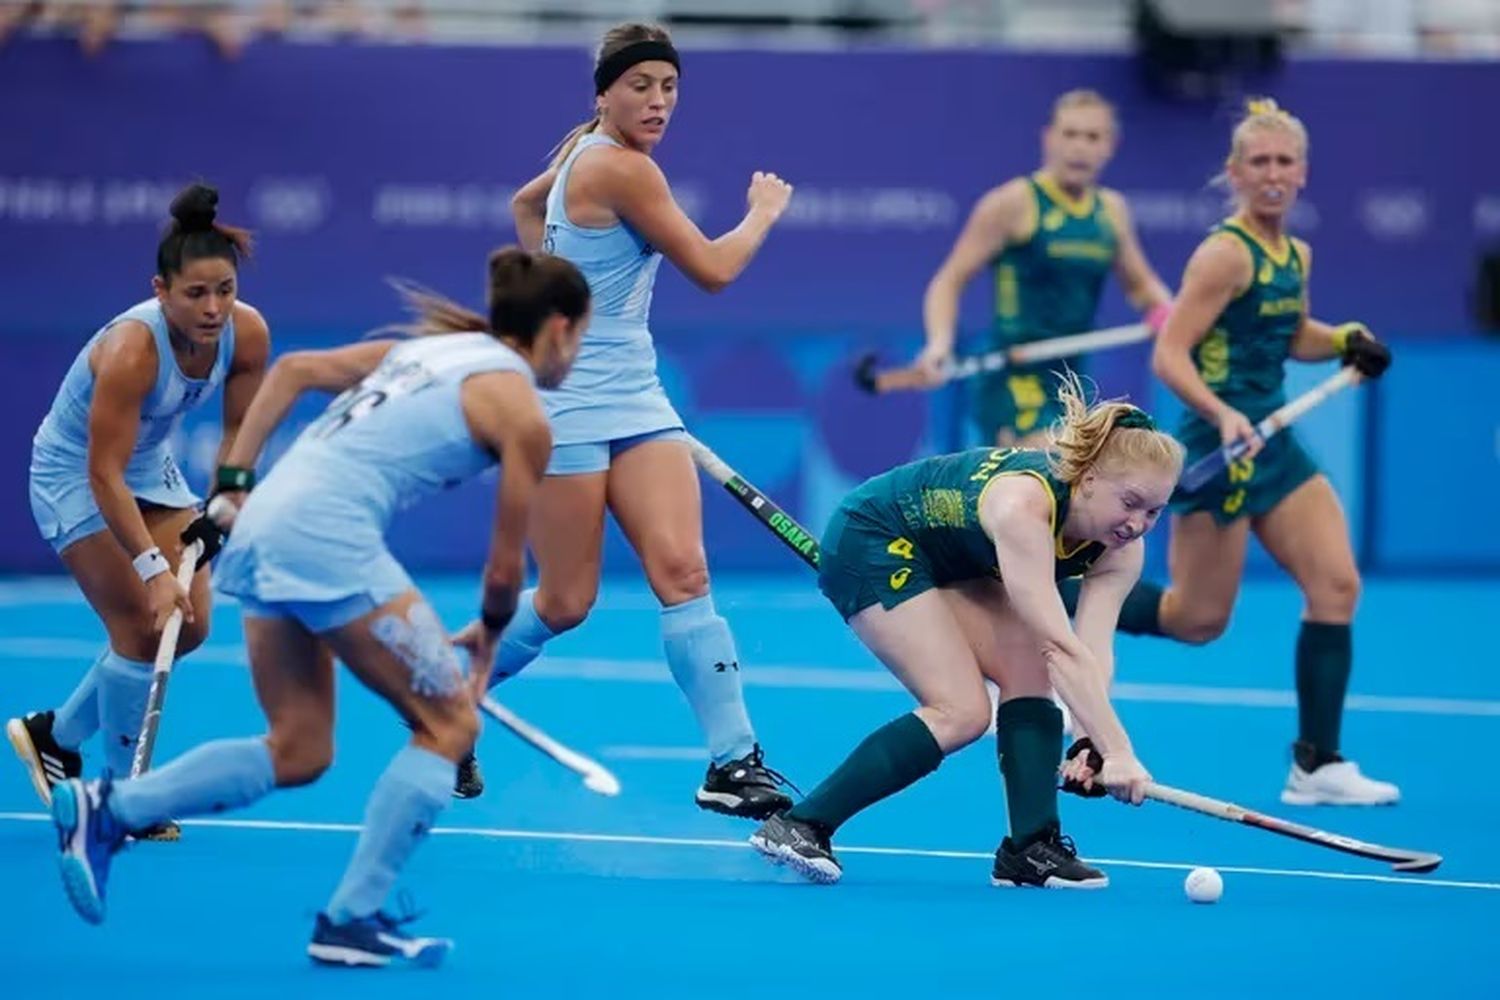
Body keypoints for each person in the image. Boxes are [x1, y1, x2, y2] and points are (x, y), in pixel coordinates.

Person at [46, 247, 590, 968]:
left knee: (299, 748)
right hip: (327, 541)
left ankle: (109, 809)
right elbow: (502, 571)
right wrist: (487, 650)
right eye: (580, 338)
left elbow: (295, 372)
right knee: (451, 724)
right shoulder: (523, 411)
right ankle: (351, 917)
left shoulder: (436, 347)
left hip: (265, 528)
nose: (576, 355)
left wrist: (235, 483)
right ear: (557, 328)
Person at [467, 21, 796, 817]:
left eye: (669, 86)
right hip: (569, 406)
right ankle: (447, 693)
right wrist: (762, 213)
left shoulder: (588, 152)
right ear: (604, 93)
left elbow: (524, 205)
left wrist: (554, 295)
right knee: (565, 601)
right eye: (640, 86)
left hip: (639, 399)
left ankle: (732, 761)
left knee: (684, 573)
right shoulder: (620, 169)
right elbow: (715, 270)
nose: (657, 101)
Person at [1079, 99, 1398, 806]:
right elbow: (1171, 355)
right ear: (1236, 173)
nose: (1273, 174)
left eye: (1285, 162)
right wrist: (1222, 414)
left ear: (1303, 173)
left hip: (1273, 443)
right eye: (1260, 162)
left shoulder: (1296, 254)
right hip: (1214, 446)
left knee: (1337, 586)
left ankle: (1316, 766)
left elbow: (1291, 335)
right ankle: (1073, 598)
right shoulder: (1223, 253)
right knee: (1198, 620)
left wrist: (1346, 337)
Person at [750, 373, 1184, 888]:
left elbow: (1091, 649)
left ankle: (1031, 847)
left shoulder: (1120, 550)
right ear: (1088, 479)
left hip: (954, 559)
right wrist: (1120, 751)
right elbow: (1058, 646)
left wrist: (1091, 742)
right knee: (962, 711)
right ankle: (799, 823)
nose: (1138, 523)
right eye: (1130, 502)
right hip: (876, 537)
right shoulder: (1026, 507)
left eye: (1154, 511)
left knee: (1027, 672)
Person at [7, 182, 269, 842]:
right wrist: (152, 565)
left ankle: (54, 736)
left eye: (225, 292)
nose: (214, 309)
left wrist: (226, 503)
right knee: (138, 623)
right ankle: (122, 797)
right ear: (160, 290)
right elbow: (101, 471)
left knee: (192, 627)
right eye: (195, 294)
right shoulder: (131, 351)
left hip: (151, 468)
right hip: (76, 472)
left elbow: (239, 437)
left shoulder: (248, 334)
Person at [917, 89, 1174, 446]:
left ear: (1110, 145)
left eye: (1092, 137)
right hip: (1014, 371)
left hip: (1071, 374)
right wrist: (939, 344)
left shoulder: (1112, 211)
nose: (1079, 147)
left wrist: (1169, 313)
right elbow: (948, 281)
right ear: (1048, 138)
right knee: (1054, 461)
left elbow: (1141, 286)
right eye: (1070, 134)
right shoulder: (1012, 203)